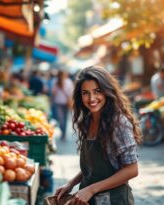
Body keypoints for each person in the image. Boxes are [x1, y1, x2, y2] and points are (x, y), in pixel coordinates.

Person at [54, 66, 142, 205]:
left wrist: (91, 190)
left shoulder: (118, 123)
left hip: (115, 200)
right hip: (90, 200)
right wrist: (71, 183)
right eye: (85, 93)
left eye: (97, 91)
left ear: (107, 91)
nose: (91, 98)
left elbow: (132, 169)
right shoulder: (88, 121)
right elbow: (92, 168)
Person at [51, 70, 74, 140]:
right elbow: (72, 92)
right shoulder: (68, 81)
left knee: (61, 119)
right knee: (64, 119)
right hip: (65, 103)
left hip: (59, 103)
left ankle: (63, 132)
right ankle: (63, 133)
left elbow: (53, 92)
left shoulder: (55, 81)